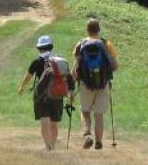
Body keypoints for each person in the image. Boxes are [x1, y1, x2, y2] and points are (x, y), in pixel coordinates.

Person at [17, 35, 74, 150]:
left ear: (39, 48)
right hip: (57, 95)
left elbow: (28, 77)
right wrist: (70, 94)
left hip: (41, 96)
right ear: (51, 47)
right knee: (54, 122)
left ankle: (48, 146)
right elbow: (69, 77)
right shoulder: (60, 60)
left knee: (44, 119)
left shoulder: (37, 61)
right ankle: (52, 144)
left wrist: (22, 87)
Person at [73, 18, 118, 150]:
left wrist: (72, 85)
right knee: (99, 114)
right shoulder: (106, 44)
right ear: (99, 30)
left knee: (85, 111)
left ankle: (87, 135)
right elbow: (115, 66)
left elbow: (76, 66)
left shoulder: (80, 44)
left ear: (87, 30)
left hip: (85, 84)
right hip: (103, 84)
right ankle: (99, 141)